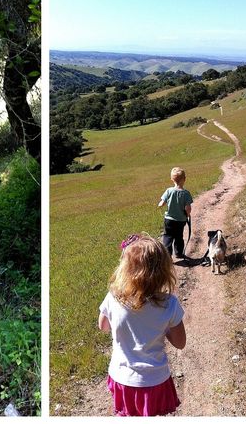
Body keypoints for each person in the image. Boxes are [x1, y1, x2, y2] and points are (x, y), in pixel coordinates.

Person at [98, 234, 186, 416]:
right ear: (163, 271)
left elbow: (103, 326)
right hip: (154, 380)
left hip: (121, 377)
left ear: (125, 269)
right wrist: (164, 328)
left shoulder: (113, 297)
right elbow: (180, 343)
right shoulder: (169, 304)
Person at [158, 167, 193, 259]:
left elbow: (162, 202)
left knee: (167, 237)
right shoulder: (186, 193)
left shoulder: (169, 191)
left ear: (172, 180)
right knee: (178, 237)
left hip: (169, 220)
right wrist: (188, 214)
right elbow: (188, 208)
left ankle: (167, 255)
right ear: (184, 179)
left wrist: (161, 204)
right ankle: (178, 253)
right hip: (180, 220)